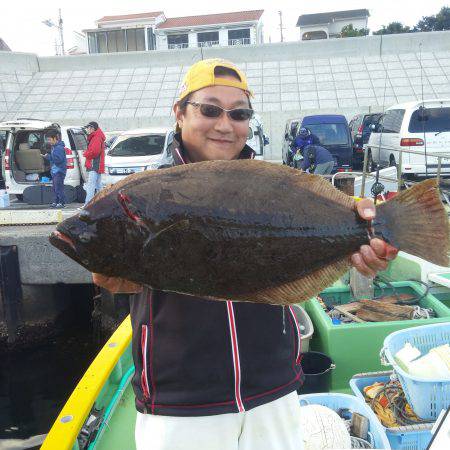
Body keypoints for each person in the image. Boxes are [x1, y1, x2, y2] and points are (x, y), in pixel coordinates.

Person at [93, 59, 398, 450]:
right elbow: (109, 273)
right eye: (209, 109)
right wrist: (108, 272)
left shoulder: (272, 184)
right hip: (181, 399)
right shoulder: (141, 193)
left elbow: (323, 235)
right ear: (180, 113)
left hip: (273, 386)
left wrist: (364, 240)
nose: (225, 124)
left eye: (239, 114)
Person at [83, 121, 105, 206]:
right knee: (98, 185)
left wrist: (85, 153)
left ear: (92, 128)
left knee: (91, 186)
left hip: (94, 164)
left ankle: (87, 204)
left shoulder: (96, 137)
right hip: (97, 165)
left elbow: (95, 152)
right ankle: (103, 203)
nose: (87, 130)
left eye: (88, 128)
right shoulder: (97, 136)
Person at [43, 129, 67, 208]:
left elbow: (58, 160)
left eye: (50, 139)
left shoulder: (59, 148)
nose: (49, 141)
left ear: (55, 138)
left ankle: (61, 203)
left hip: (59, 171)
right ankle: (55, 202)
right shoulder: (54, 147)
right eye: (48, 140)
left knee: (58, 187)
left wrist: (48, 157)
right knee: (55, 187)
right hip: (55, 171)